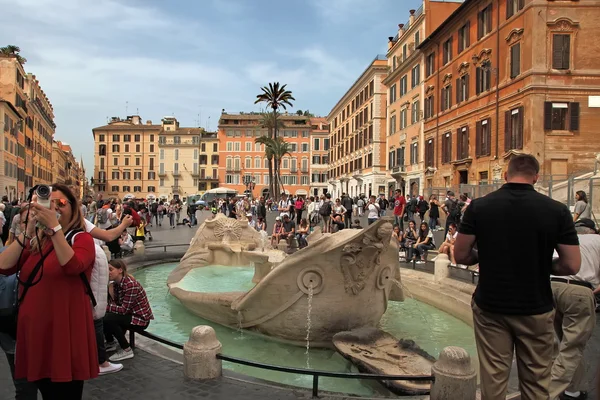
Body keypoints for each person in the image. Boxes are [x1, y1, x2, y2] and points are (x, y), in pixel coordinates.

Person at [454, 154, 581, 400]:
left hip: (490, 306)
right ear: (536, 177)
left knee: (493, 383)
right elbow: (572, 264)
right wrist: (542, 264)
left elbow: (461, 255)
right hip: (536, 307)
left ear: (505, 175)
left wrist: (486, 257)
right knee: (536, 385)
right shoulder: (557, 210)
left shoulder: (479, 207)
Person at [0, 183, 99, 398]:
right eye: (49, 203)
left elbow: (72, 265)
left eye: (61, 203)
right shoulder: (37, 242)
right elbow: (4, 265)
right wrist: (28, 232)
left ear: (73, 208)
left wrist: (55, 229)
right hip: (37, 335)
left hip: (64, 336)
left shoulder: (82, 239)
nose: (55, 207)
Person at [549, 218, 600, 400]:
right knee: (572, 347)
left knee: (565, 341)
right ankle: (546, 394)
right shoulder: (598, 240)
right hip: (579, 290)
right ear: (592, 231)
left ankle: (573, 389)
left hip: (551, 286)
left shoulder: (566, 241)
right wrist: (592, 292)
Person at [104, 259, 154, 362]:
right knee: (105, 316)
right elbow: (117, 305)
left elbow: (123, 310)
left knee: (108, 318)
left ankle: (126, 350)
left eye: (110, 269)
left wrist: (105, 307)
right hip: (130, 315)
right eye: (107, 269)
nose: (108, 272)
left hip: (139, 319)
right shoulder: (117, 284)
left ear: (120, 270)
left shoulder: (130, 285)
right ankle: (111, 342)